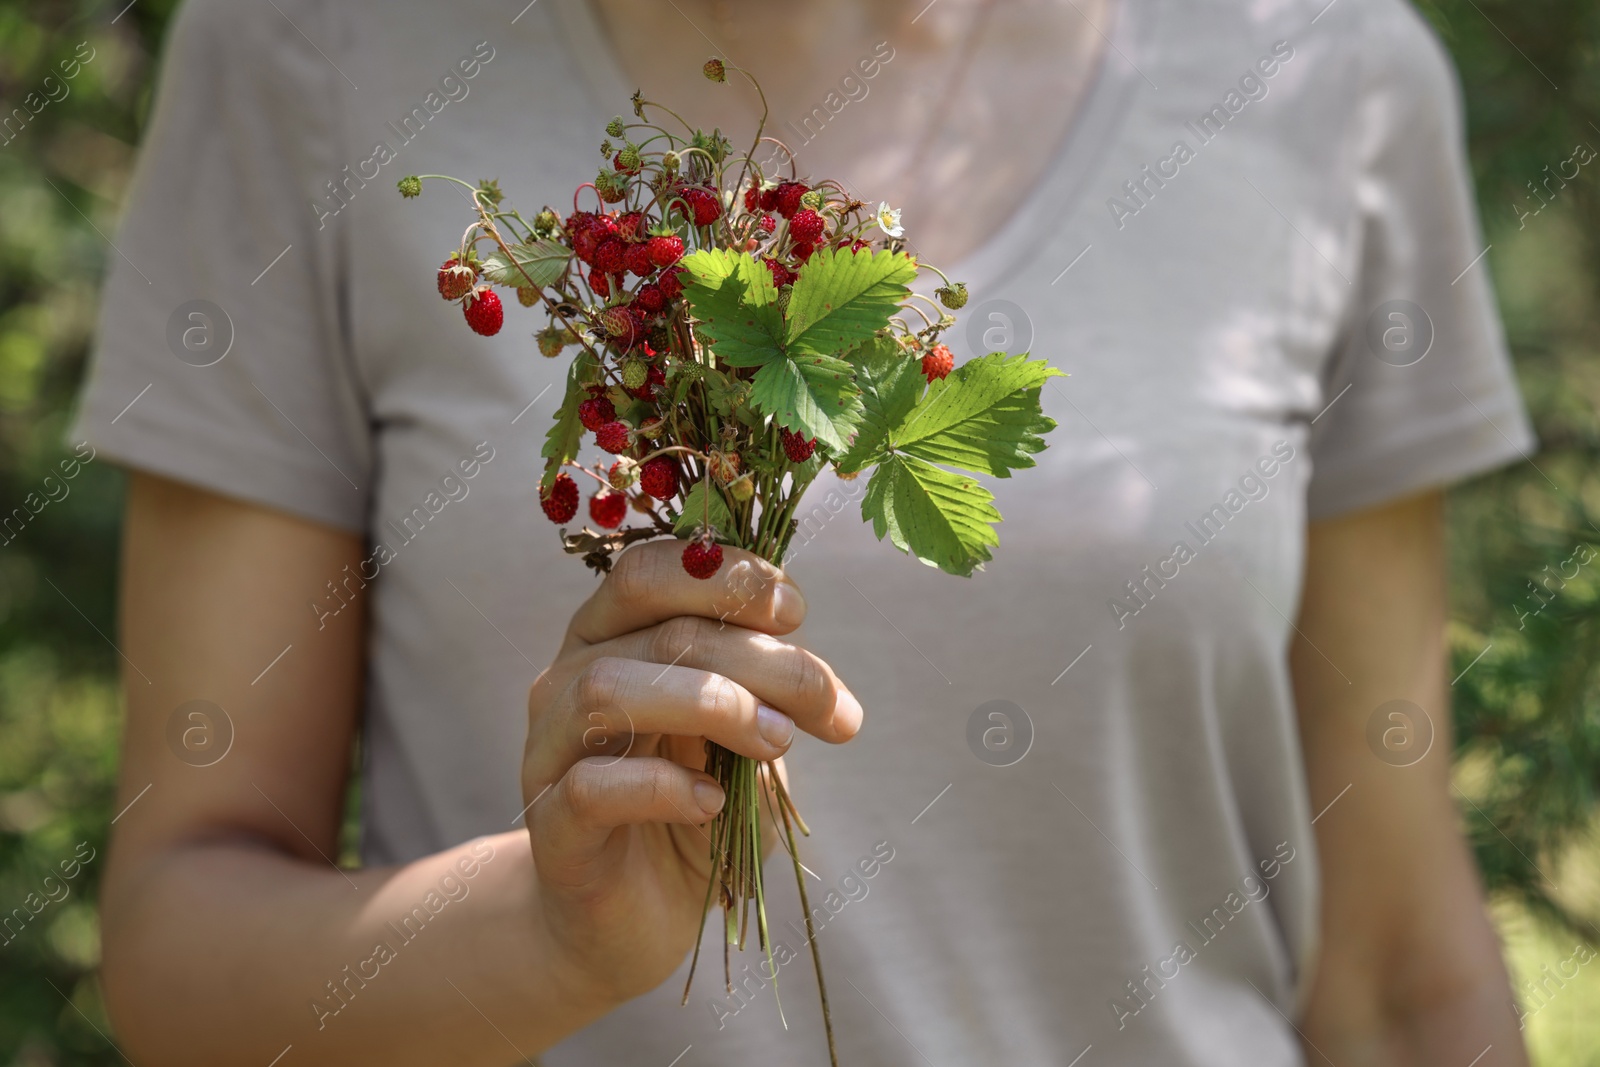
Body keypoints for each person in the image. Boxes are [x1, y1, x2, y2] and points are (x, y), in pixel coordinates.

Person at [72, 0, 1536, 1063]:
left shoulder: (1321, 78)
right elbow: (178, 958)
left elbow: (1402, 976)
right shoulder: (312, 50)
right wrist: (544, 933)